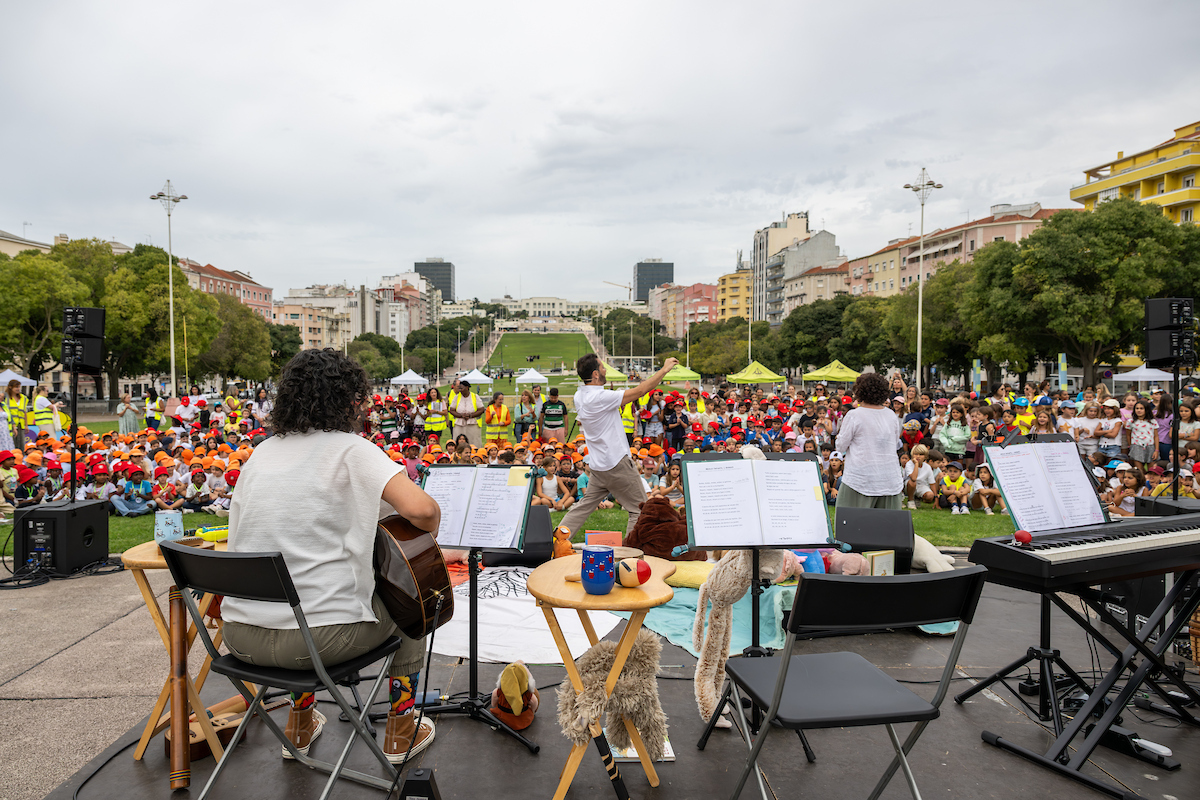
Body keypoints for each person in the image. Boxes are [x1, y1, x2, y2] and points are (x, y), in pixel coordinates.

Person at [221, 348, 440, 763]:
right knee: (412, 601)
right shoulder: (350, 449)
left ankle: (299, 724)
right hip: (316, 645)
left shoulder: (261, 453)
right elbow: (423, 511)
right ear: (349, 399)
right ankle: (401, 727)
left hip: (239, 637)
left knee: (301, 599)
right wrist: (431, 539)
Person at [559, 354, 680, 535]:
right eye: (602, 367)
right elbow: (640, 391)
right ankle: (630, 551)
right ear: (595, 374)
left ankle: (558, 540)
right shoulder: (600, 397)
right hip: (617, 463)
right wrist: (664, 370)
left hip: (598, 466)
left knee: (583, 507)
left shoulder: (579, 395)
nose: (605, 370)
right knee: (640, 509)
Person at [835, 372, 905, 510]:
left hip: (860, 479)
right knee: (887, 523)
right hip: (889, 479)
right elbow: (895, 443)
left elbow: (840, 446)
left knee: (852, 522)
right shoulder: (891, 415)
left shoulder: (854, 415)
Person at [449, 380, 484, 448]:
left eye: (461, 388)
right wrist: (461, 415)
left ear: (467, 387)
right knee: (459, 441)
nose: (460, 390)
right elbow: (451, 410)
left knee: (474, 441)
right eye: (459, 388)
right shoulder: (457, 397)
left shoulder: (475, 396)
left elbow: (481, 409)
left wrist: (471, 415)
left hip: (472, 423)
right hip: (459, 423)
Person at [4, 380, 29, 450]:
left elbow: (24, 412)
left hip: (21, 424)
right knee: (11, 444)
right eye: (16, 387)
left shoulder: (23, 398)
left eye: (19, 387)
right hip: (9, 425)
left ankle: (20, 456)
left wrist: (26, 425)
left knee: (21, 444)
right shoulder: (5, 398)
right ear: (10, 387)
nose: (18, 389)